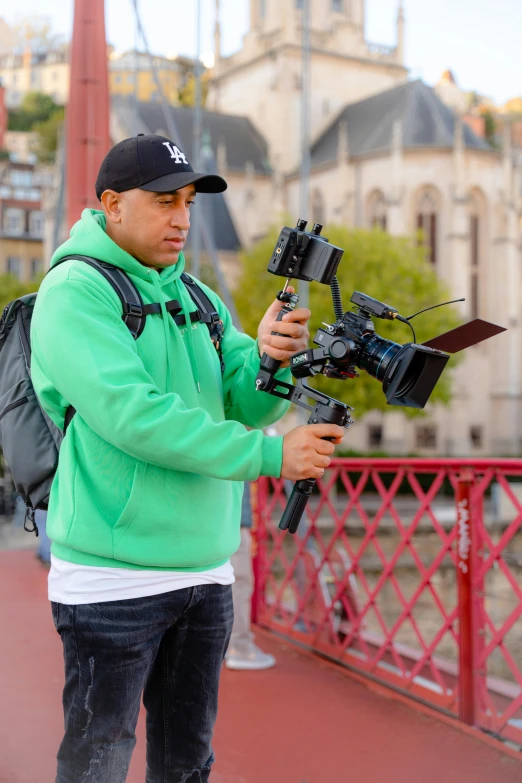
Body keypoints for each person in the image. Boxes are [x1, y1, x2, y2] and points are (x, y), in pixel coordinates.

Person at [30, 133, 344, 783]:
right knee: (97, 762)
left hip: (206, 573)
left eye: (189, 204)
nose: (181, 217)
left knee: (187, 763)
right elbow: (134, 416)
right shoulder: (74, 291)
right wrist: (269, 456)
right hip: (112, 581)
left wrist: (271, 358)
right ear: (112, 204)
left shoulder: (198, 296)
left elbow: (246, 403)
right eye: (165, 201)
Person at [226, 481, 276, 670]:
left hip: (213, 515)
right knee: (239, 582)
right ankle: (239, 646)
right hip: (232, 515)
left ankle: (226, 645)